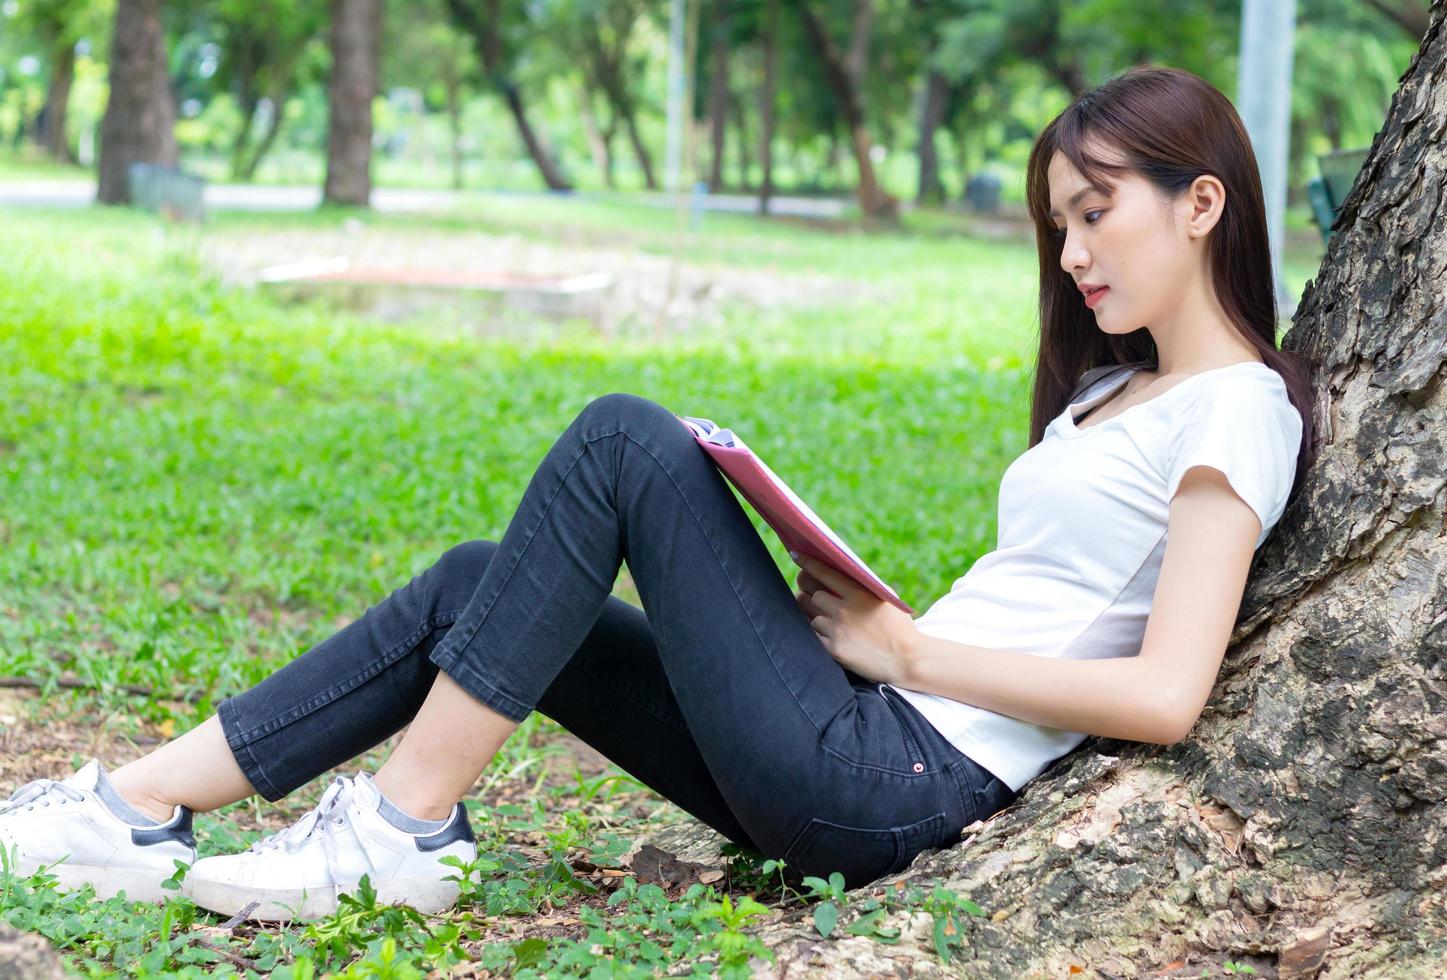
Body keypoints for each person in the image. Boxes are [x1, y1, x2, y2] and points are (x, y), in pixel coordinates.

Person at [0, 64, 1315, 922]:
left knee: (626, 443)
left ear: (1200, 203)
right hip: (862, 724)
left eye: (1095, 213)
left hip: (896, 780)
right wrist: (880, 636)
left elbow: (1165, 694)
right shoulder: (1105, 399)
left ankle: (400, 836)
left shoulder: (1234, 412)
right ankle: (137, 809)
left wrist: (912, 649)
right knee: (476, 581)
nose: (1073, 251)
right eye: (1058, 226)